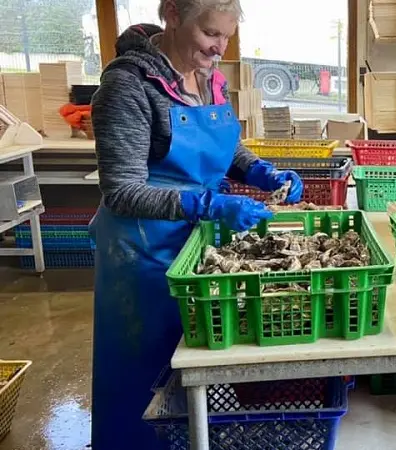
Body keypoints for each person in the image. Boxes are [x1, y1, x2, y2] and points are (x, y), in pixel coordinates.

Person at [89, 1, 303, 448]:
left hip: (197, 250)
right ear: (172, 14)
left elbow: (227, 150)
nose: (219, 48)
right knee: (144, 379)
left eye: (226, 36)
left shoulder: (210, 80)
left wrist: (263, 170)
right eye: (210, 33)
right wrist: (208, 204)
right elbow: (122, 192)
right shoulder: (128, 87)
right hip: (142, 258)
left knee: (197, 376)